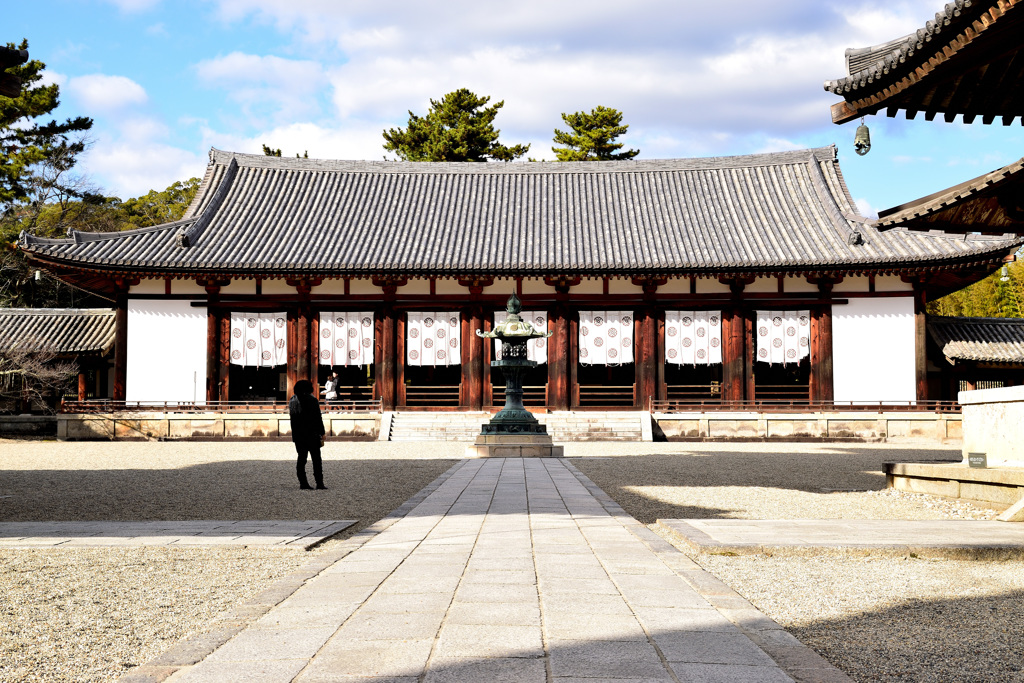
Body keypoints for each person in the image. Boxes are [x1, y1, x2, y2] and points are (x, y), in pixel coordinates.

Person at [288, 379, 326, 490]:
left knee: (301, 459)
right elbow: (317, 418)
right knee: (316, 459)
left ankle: (303, 483)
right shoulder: (312, 400)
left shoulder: (293, 400)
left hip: (299, 434)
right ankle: (319, 483)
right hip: (312, 433)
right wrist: (322, 432)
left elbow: (293, 420)